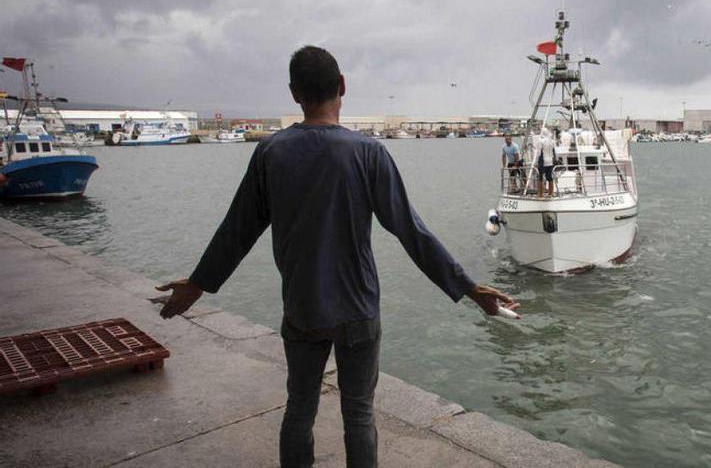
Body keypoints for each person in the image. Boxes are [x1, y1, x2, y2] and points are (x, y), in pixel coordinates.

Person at [154, 46, 519, 468]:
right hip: (358, 310)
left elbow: (237, 231)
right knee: (359, 415)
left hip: (303, 309)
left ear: (294, 94)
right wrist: (469, 289)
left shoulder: (270, 154)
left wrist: (197, 285)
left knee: (299, 409)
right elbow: (411, 231)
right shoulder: (368, 153)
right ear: (343, 85)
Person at [537, 128, 556, 198]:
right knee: (549, 177)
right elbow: (554, 152)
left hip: (543, 161)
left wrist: (537, 161)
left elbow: (539, 152)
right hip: (550, 161)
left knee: (540, 178)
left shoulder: (541, 141)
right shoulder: (552, 141)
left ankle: (541, 194)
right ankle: (550, 193)